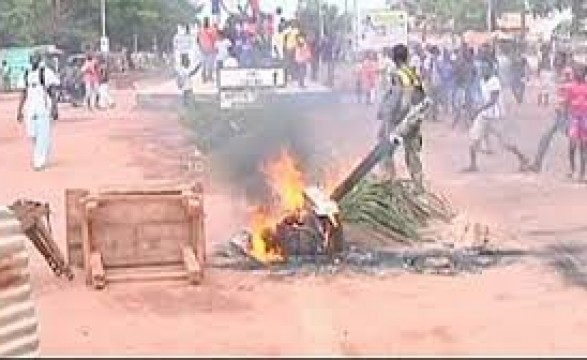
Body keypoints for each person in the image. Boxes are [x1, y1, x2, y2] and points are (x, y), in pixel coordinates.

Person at [463, 62, 529, 172]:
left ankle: (523, 158)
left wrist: (477, 110)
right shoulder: (482, 81)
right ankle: (473, 165)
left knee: (506, 142)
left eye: (485, 69)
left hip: (496, 117)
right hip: (484, 116)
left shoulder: (494, 81)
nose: (483, 71)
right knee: (474, 139)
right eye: (482, 69)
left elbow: (493, 101)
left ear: (491, 70)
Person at [377, 44, 426, 186]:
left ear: (394, 58)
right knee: (412, 153)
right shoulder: (413, 73)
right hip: (415, 118)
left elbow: (399, 99)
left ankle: (388, 180)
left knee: (384, 146)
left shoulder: (397, 75)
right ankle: (418, 185)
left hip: (401, 119)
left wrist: (391, 118)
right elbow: (421, 95)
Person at [16, 52, 60, 171]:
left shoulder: (46, 72)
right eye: (32, 58)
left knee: (43, 134)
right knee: (33, 134)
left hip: (43, 106)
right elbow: (23, 93)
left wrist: (55, 107)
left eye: (36, 58)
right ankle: (43, 152)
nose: (33, 60)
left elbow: (52, 91)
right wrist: (19, 110)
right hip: (30, 107)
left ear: (39, 59)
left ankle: (39, 161)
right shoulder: (26, 74)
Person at [530, 65, 574, 172]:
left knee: (576, 141)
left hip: (568, 117)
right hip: (560, 116)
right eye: (565, 75)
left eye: (568, 75)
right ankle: (537, 164)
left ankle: (537, 164)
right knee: (545, 138)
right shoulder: (561, 84)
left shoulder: (571, 86)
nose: (565, 76)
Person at [564, 65, 587, 181]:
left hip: (585, 118)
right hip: (573, 117)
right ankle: (572, 168)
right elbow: (567, 103)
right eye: (577, 71)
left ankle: (582, 174)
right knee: (572, 145)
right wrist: (565, 120)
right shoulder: (571, 87)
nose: (578, 73)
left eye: (581, 71)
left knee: (583, 146)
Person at [198, 17, 217, 83]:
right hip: (203, 50)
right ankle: (204, 78)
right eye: (204, 21)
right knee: (203, 65)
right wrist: (200, 48)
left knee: (210, 65)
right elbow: (198, 40)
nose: (205, 22)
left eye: (207, 21)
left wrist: (214, 48)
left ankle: (210, 77)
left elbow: (215, 39)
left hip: (211, 50)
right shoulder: (201, 30)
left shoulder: (212, 29)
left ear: (208, 22)